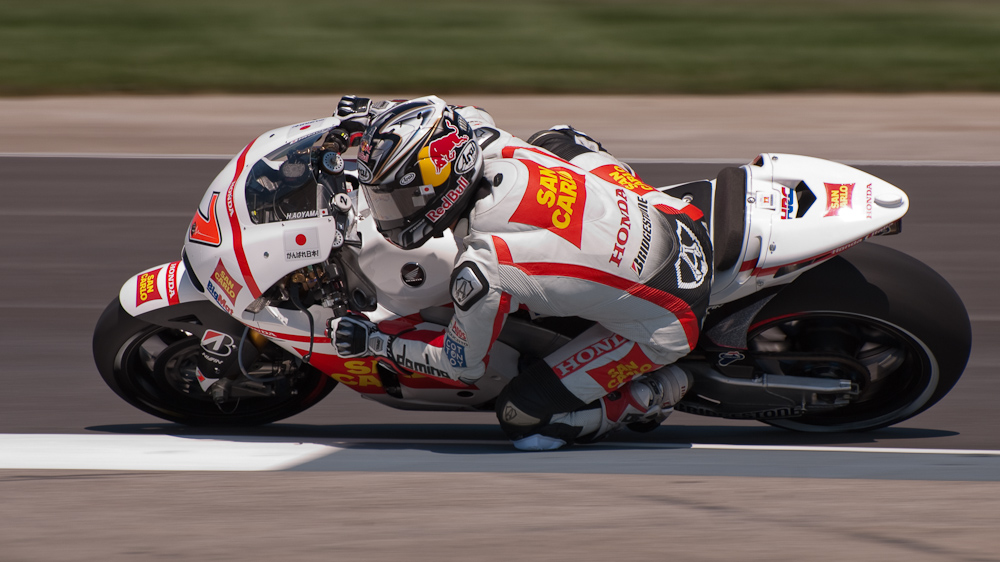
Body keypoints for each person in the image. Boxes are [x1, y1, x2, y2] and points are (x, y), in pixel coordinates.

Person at [328, 95, 713, 450]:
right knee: (556, 138)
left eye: (398, 199)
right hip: (676, 217)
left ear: (439, 188)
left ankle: (647, 396)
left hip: (673, 311)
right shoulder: (483, 139)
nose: (388, 213)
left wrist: (376, 343)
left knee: (522, 418)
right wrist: (374, 112)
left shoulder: (484, 267)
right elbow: (446, 112)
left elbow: (460, 366)